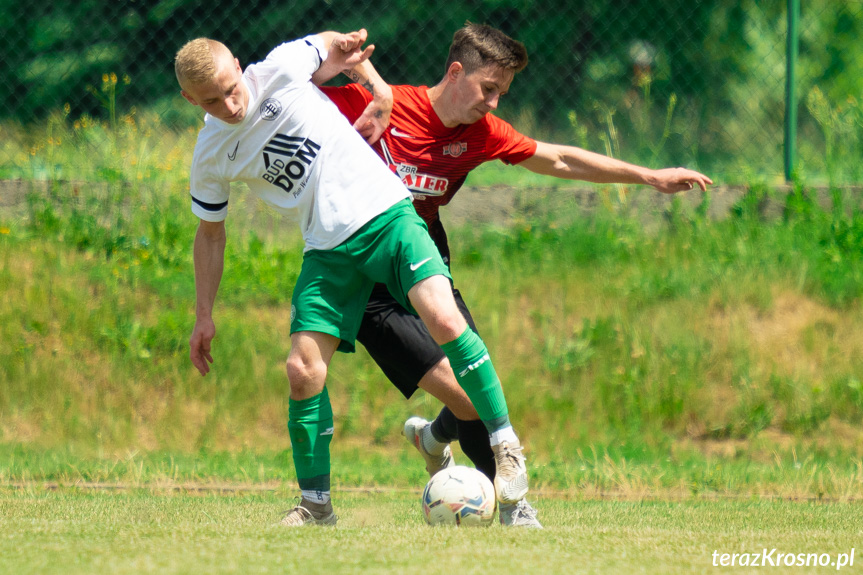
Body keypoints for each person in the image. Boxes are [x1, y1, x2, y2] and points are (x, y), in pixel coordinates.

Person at [320, 23, 713, 528]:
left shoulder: (480, 134)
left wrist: (649, 176)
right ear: (456, 72)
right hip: (366, 280)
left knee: (478, 387)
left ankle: (438, 441)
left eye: (502, 93)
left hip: (425, 266)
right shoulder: (379, 103)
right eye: (489, 89)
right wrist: (235, 96)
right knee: (467, 396)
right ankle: (509, 504)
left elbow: (559, 157)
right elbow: (292, 95)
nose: (494, 103)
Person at [175, 28, 532, 527]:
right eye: (211, 101)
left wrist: (374, 82)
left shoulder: (279, 67)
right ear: (189, 99)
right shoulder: (211, 154)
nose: (230, 104)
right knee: (302, 371)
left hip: (386, 213)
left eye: (231, 87)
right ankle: (316, 506)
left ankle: (507, 451)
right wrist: (204, 315)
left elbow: (337, 47)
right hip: (326, 246)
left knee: (447, 323)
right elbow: (210, 233)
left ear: (238, 64)